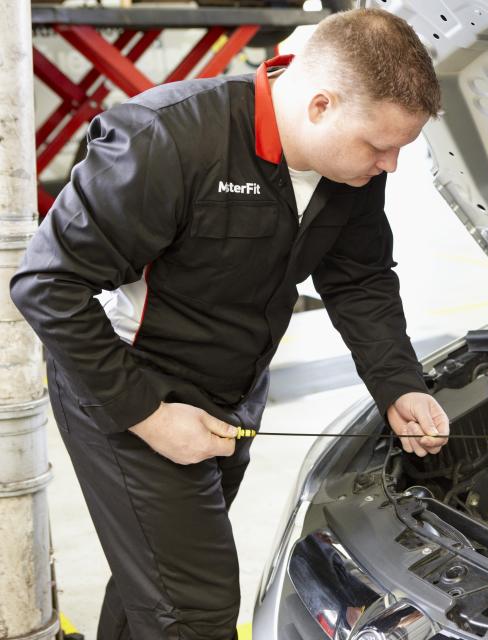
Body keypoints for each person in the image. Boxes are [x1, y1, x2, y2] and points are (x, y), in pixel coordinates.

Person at [10, 8, 449, 639]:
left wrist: (398, 384)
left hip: (234, 392)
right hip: (128, 383)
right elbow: (46, 284)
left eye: (401, 149)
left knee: (157, 584)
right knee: (196, 612)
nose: (391, 166)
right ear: (319, 106)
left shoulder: (349, 169)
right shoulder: (168, 138)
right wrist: (150, 416)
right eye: (380, 147)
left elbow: (359, 278)